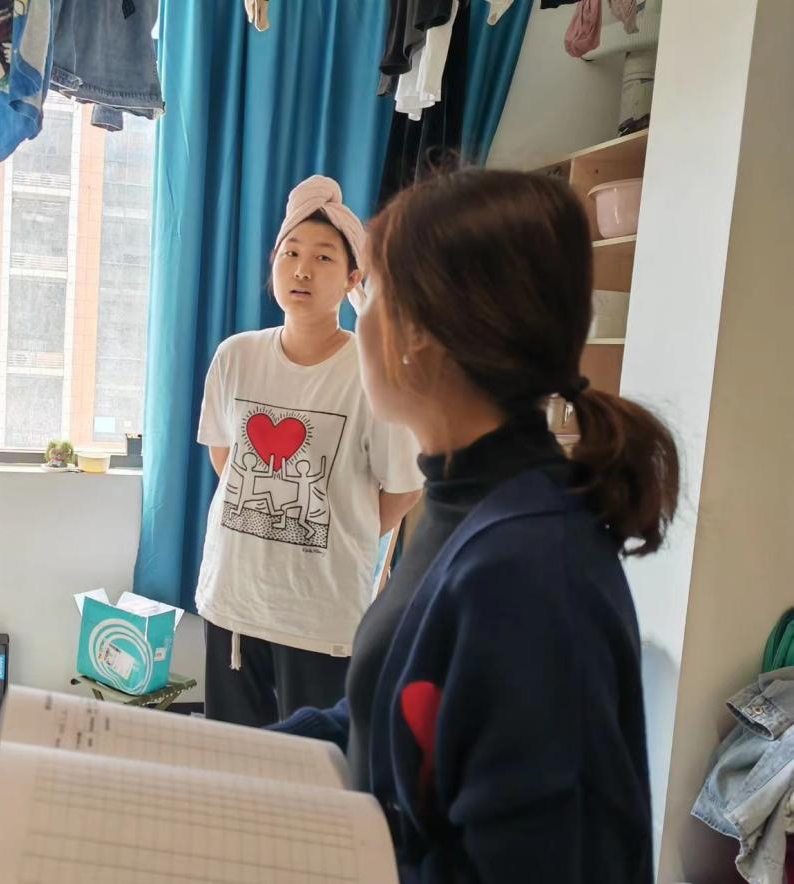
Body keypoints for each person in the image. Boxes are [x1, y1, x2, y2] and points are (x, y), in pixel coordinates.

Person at [274, 169, 678, 882]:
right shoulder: (460, 501)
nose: (359, 319)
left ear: (420, 336)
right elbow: (401, 713)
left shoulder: (529, 571)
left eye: (371, 294)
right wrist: (241, 754)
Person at [195, 175, 424, 727]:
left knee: (313, 763)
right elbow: (226, 458)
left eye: (323, 257)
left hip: (322, 616)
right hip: (234, 601)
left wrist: (345, 528)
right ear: (273, 264)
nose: (302, 270)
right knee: (231, 758)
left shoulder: (372, 371)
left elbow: (403, 489)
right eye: (291, 253)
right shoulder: (236, 356)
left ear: (352, 278)